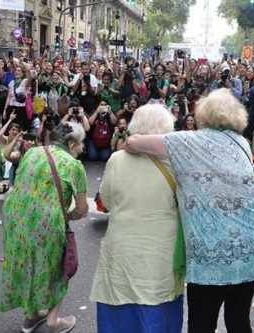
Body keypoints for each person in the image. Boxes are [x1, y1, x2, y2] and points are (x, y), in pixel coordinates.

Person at [125, 88, 254, 333]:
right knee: (239, 322)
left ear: (203, 115)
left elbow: (133, 142)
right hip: (253, 248)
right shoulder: (243, 144)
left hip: (210, 254)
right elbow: (252, 189)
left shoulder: (186, 141)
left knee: (201, 325)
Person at [90, 104, 183, 332]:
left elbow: (107, 202)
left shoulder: (116, 159)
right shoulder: (175, 163)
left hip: (121, 252)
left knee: (118, 307)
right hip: (160, 254)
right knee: (158, 310)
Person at [0, 122, 88, 333]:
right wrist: (67, 216)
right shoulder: (74, 165)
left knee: (27, 261)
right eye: (81, 143)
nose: (83, 148)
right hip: (46, 221)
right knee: (59, 266)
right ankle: (53, 320)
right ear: (71, 143)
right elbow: (83, 209)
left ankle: (31, 316)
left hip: (15, 217)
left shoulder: (32, 153)